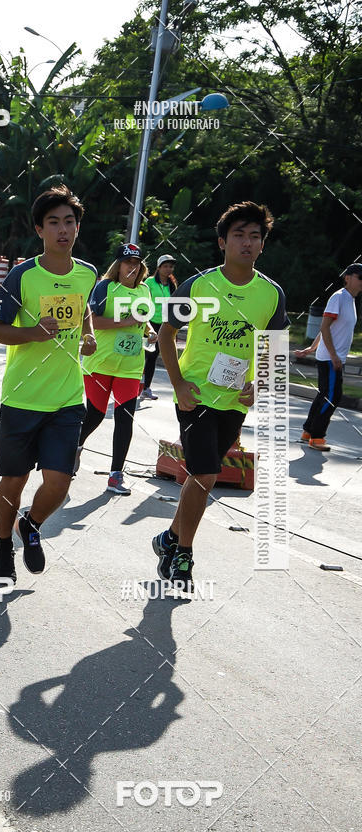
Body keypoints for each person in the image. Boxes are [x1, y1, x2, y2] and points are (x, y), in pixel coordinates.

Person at [152, 201, 289, 589]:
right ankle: (183, 557)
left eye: (254, 236)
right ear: (222, 242)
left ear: (263, 244)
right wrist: (178, 383)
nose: (247, 243)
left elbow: (274, 349)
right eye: (239, 235)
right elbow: (166, 334)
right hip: (194, 396)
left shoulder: (272, 294)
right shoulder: (196, 285)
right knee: (206, 472)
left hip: (233, 402)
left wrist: (259, 384)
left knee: (203, 476)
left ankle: (169, 538)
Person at [0, 184, 97, 582]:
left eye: (69, 222)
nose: (63, 230)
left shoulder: (87, 273)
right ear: (40, 230)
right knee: (14, 480)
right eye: (54, 223)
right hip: (23, 396)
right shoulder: (22, 276)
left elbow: (84, 311)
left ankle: (30, 525)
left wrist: (88, 336)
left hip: (68, 398)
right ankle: (3, 543)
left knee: (60, 481)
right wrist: (33, 333)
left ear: (77, 227)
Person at [75, 243, 157, 495]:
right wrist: (126, 321)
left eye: (136, 263)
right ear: (118, 266)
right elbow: (92, 321)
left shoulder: (144, 290)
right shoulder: (105, 287)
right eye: (127, 263)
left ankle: (115, 474)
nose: (132, 267)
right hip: (100, 362)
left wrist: (150, 331)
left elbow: (144, 319)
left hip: (130, 366)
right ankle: (75, 447)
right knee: (96, 415)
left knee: (125, 419)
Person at [295, 263, 362, 451]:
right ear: (347, 277)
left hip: (330, 356)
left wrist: (311, 348)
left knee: (324, 395)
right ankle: (317, 437)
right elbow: (324, 326)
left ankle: (308, 431)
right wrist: (334, 356)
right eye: (360, 277)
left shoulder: (350, 300)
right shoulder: (339, 297)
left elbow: (328, 326)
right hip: (331, 358)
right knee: (333, 396)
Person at [140, 254, 178, 400]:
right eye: (166, 266)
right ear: (159, 267)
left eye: (171, 266)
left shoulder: (172, 284)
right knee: (144, 354)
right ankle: (136, 384)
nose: (169, 269)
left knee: (153, 356)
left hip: (164, 324)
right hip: (149, 324)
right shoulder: (149, 282)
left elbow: (174, 304)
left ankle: (146, 388)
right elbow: (142, 299)